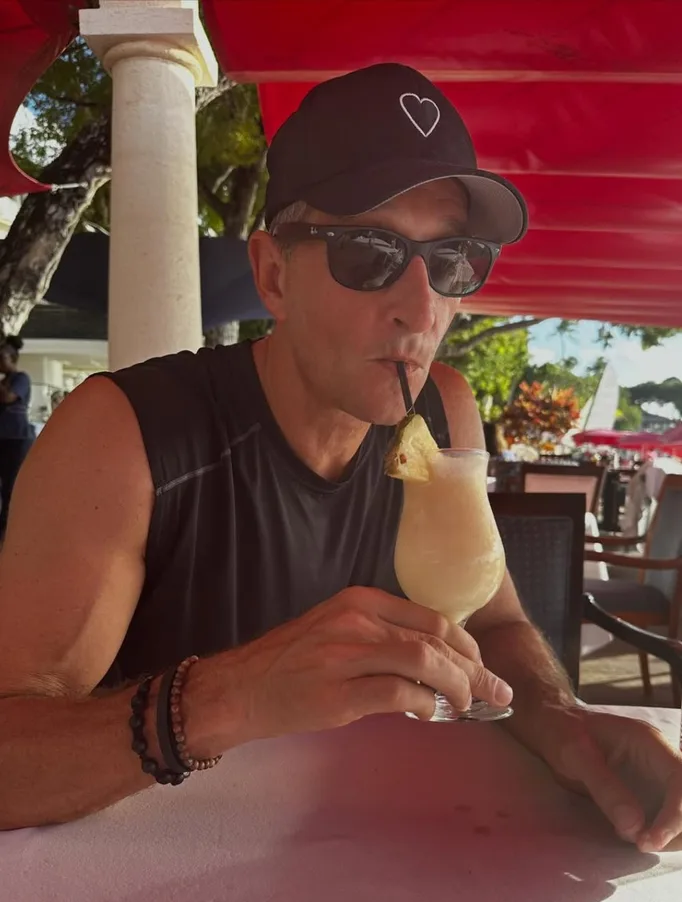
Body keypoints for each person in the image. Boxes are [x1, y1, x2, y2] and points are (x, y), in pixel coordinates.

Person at [0, 64, 680, 846]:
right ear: (273, 274)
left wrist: (565, 721)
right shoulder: (125, 434)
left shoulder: (443, 411)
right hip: (158, 873)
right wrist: (230, 695)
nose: (422, 309)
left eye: (452, 258)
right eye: (370, 251)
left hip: (384, 853)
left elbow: (492, 621)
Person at [0, 336, 34, 539]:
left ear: (11, 358)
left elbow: (8, 397)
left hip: (17, 438)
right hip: (3, 437)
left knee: (12, 484)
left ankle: (10, 527)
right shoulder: (4, 381)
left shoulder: (21, 378)